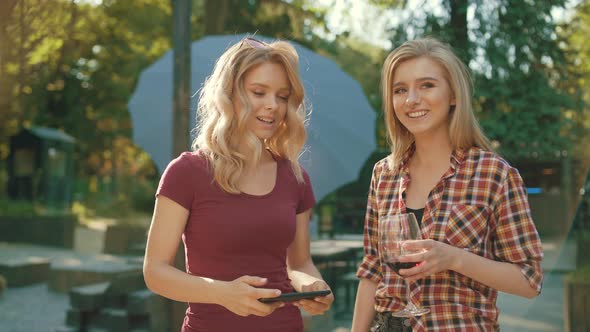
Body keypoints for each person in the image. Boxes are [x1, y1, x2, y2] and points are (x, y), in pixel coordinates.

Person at [351, 38, 544, 331]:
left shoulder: (494, 174)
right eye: (400, 90)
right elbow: (372, 272)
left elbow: (529, 281)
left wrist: (455, 258)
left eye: (426, 85)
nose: (411, 99)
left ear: (453, 94)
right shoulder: (384, 174)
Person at [143, 36, 333, 332]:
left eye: (282, 96)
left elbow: (298, 264)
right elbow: (155, 272)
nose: (273, 106)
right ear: (229, 94)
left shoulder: (295, 178)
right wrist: (222, 293)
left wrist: (312, 285)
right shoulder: (186, 172)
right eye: (259, 92)